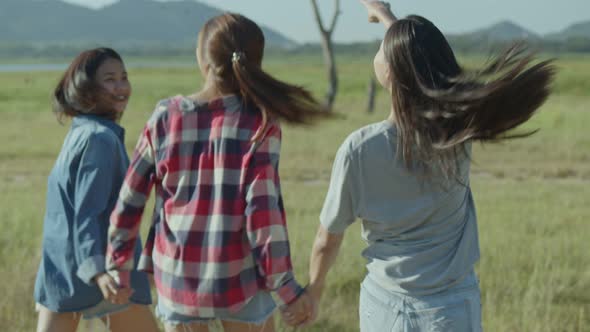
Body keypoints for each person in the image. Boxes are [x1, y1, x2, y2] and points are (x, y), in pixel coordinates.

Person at [303, 1, 555, 331]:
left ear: (391, 70)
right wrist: (382, 13)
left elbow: (327, 240)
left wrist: (314, 291)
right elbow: (415, 54)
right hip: (453, 308)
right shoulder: (457, 133)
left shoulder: (361, 149)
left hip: (387, 307)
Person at [105, 13, 325, 332]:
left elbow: (130, 200)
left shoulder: (165, 116)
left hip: (177, 283)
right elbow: (264, 217)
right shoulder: (260, 123)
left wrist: (117, 266)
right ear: (255, 63)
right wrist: (286, 290)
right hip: (241, 286)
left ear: (203, 60)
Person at [33, 48, 158, 332]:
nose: (121, 86)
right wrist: (99, 272)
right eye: (110, 79)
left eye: (124, 77)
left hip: (62, 272)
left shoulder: (80, 132)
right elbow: (87, 212)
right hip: (103, 275)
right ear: (87, 89)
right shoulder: (99, 139)